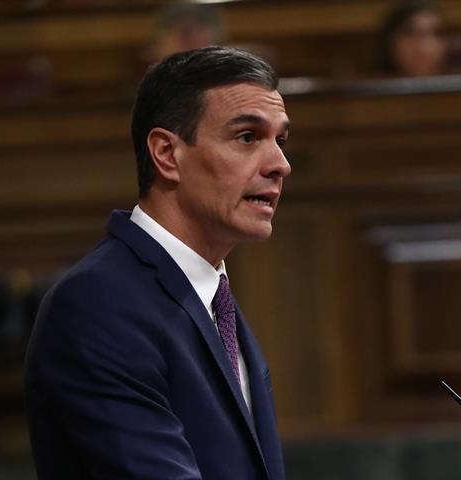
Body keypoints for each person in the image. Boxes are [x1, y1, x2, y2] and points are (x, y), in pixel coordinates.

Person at [24, 46, 291, 480]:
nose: (281, 164)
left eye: (280, 140)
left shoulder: (212, 298)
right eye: (247, 137)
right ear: (167, 153)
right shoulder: (99, 306)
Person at [376, 0, 448, 76]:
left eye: (434, 33)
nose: (423, 43)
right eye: (410, 33)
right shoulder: (370, 84)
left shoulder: (458, 84)